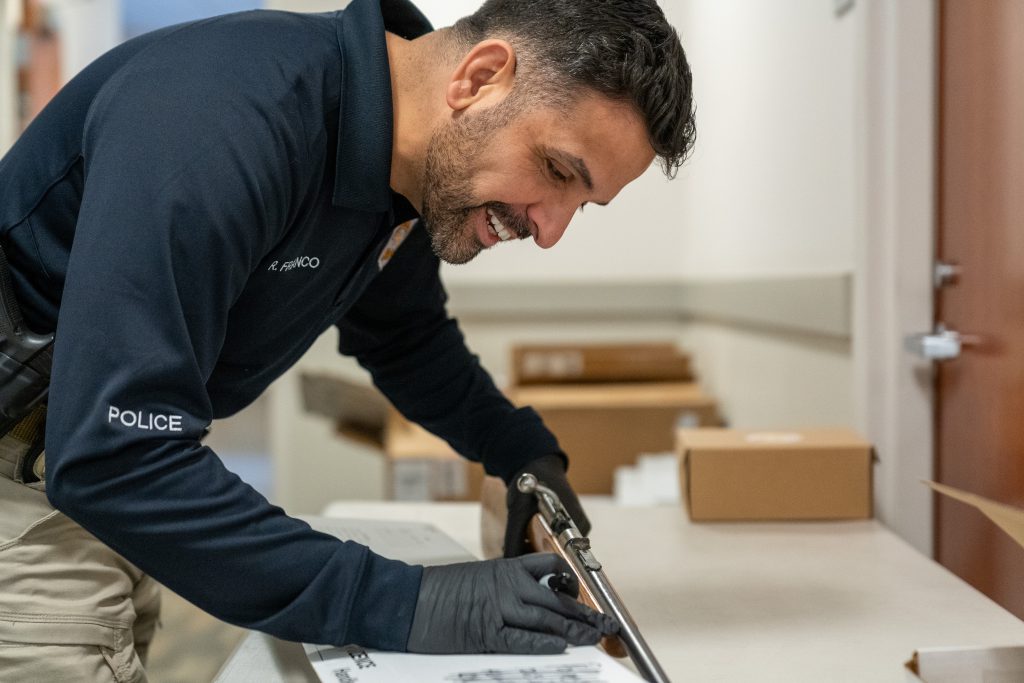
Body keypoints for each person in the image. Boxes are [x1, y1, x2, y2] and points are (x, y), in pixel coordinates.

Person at [0, 0, 695, 678]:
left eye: (583, 204)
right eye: (557, 171)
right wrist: (405, 603)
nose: (550, 231)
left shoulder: (412, 172)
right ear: (481, 78)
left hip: (87, 460)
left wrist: (517, 449)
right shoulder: (225, 118)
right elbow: (115, 454)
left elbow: (405, 337)